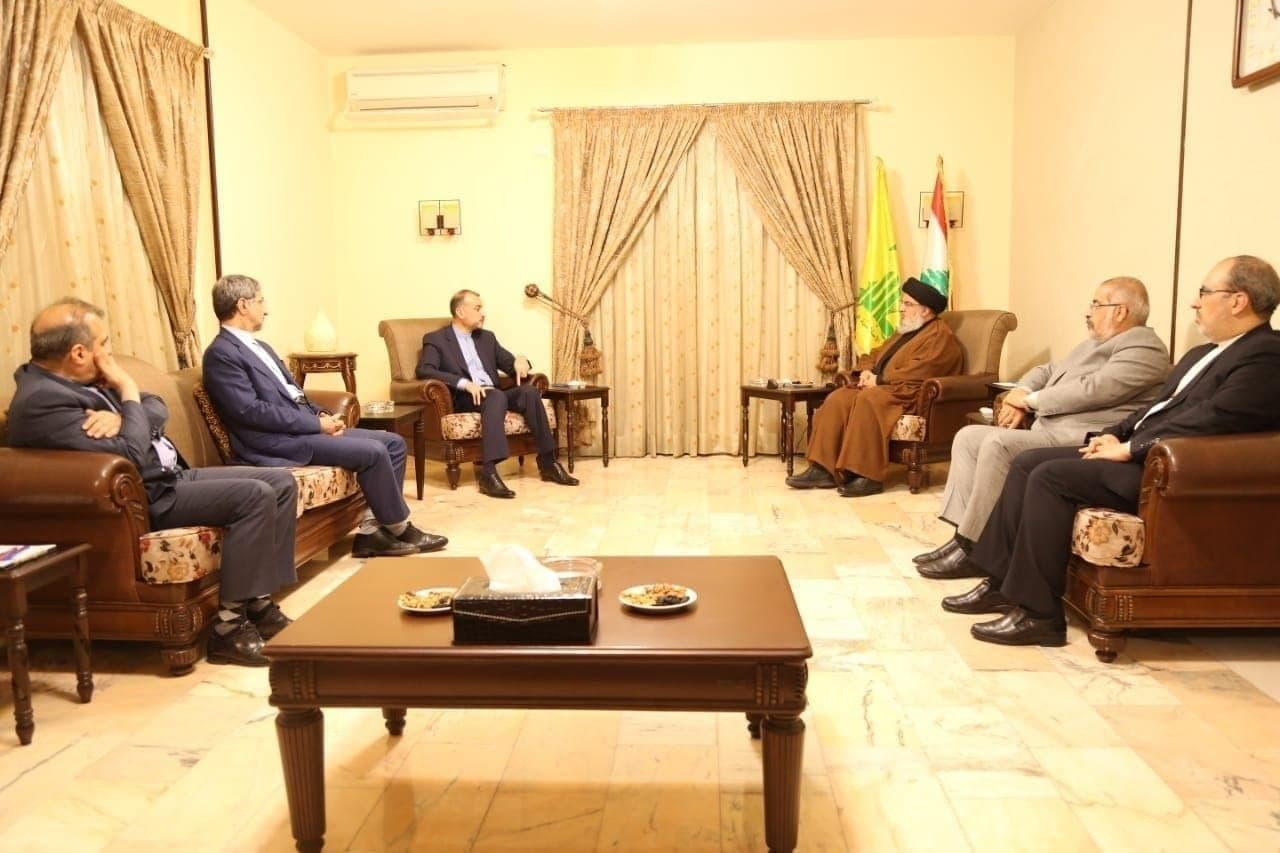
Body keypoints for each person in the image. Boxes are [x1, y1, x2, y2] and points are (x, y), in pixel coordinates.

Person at [942, 255, 1280, 647]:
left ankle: (1039, 615)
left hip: (1171, 473)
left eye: (1204, 292)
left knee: (1050, 477)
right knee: (1026, 462)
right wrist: (1110, 435)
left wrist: (1132, 448)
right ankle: (1001, 582)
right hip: (1144, 455)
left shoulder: (1265, 355)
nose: (1194, 302)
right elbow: (1153, 410)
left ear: (1238, 301)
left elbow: (1214, 419)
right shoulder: (1203, 353)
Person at [7, 298, 298, 667]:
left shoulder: (78, 378)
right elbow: (130, 451)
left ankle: (258, 603)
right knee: (254, 495)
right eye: (104, 343)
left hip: (171, 475)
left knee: (281, 483)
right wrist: (128, 393)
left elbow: (156, 405)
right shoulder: (42, 403)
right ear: (79, 353)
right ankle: (228, 629)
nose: (109, 353)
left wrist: (126, 416)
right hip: (150, 496)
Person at [915, 277, 1170, 580]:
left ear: (1120, 311)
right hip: (1050, 429)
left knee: (998, 444)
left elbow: (1095, 389)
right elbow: (1047, 370)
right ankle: (964, 537)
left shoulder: (1144, 347)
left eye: (1096, 304)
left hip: (1080, 437)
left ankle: (975, 548)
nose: (1088, 312)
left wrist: (1030, 401)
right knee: (969, 437)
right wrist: (1019, 393)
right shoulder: (1093, 344)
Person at [201, 274, 447, 558]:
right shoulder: (221, 354)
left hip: (298, 430)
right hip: (272, 442)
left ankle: (371, 533)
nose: (266, 308)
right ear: (243, 305)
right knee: (373, 452)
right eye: (260, 300)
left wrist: (321, 414)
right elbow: (250, 411)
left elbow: (293, 393)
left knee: (393, 443)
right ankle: (400, 527)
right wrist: (316, 424)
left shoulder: (261, 347)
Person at [786, 276, 964, 497]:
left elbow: (920, 371)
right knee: (838, 397)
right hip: (886, 387)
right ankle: (823, 469)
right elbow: (873, 355)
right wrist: (866, 372)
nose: (901, 308)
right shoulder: (904, 332)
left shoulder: (940, 337)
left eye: (907, 304)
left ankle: (866, 475)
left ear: (926, 310)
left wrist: (879, 380)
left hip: (907, 393)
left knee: (868, 400)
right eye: (902, 302)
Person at [415, 288, 577, 499]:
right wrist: (465, 383)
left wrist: (521, 360)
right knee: (495, 396)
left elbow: (511, 364)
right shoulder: (437, 339)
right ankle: (488, 473)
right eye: (477, 308)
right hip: (467, 397)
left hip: (494, 395)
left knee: (528, 392)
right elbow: (424, 370)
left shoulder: (487, 338)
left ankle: (548, 462)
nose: (483, 313)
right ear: (461, 312)